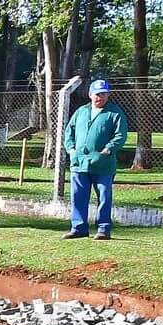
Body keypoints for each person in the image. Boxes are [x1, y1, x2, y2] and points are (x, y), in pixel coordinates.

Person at [63, 77, 130, 240]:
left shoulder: (115, 113)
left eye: (104, 94)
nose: (101, 97)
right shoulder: (81, 112)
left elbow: (120, 135)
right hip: (79, 163)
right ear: (90, 94)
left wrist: (108, 149)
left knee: (104, 197)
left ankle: (103, 229)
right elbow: (68, 132)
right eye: (98, 94)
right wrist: (71, 149)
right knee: (78, 196)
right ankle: (78, 228)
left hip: (103, 165)